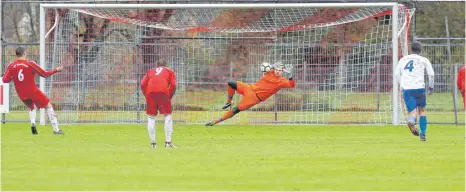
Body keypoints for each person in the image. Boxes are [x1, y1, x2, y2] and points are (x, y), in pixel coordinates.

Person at [205, 61, 295, 126]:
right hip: (250, 88)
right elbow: (264, 66)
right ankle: (228, 102)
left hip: (254, 98)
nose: (277, 71)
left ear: (283, 71)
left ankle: (215, 122)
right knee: (231, 83)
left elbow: (291, 85)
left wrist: (290, 75)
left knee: (236, 110)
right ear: (274, 69)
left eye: (280, 70)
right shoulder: (270, 71)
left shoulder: (282, 81)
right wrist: (271, 65)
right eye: (276, 69)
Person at [2, 46, 64, 135]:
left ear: (16, 55)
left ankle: (33, 124)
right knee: (49, 106)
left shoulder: (11, 66)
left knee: (32, 107)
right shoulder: (30, 64)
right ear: (24, 53)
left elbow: (5, 80)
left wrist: (12, 75)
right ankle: (56, 130)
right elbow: (44, 74)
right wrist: (56, 70)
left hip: (21, 94)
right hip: (32, 91)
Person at [394, 41, 435, 141]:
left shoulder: (403, 59)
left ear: (411, 49)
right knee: (421, 110)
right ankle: (423, 134)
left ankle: (411, 121)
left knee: (412, 111)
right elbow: (431, 74)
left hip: (407, 89)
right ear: (420, 50)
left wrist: (401, 85)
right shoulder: (423, 60)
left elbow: (396, 74)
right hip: (419, 88)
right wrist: (431, 87)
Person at [140, 59, 177, 148]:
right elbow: (174, 85)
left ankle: (153, 144)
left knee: (151, 117)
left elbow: (142, 84)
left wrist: (146, 94)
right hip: (163, 92)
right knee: (167, 115)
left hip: (150, 93)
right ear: (166, 66)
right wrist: (169, 95)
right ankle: (168, 142)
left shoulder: (150, 71)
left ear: (157, 66)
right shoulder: (170, 71)